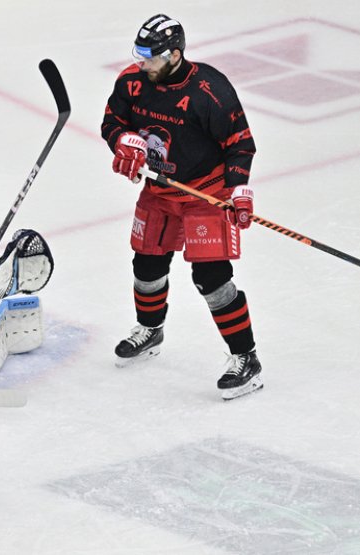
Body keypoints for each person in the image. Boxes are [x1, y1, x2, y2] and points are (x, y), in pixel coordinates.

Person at [101, 14, 263, 401]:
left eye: (150, 57)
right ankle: (150, 330)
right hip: (160, 190)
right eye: (138, 55)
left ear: (174, 55)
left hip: (206, 193)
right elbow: (112, 120)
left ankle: (246, 358)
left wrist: (238, 189)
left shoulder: (211, 91)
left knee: (211, 279)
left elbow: (241, 144)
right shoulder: (132, 82)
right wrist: (122, 140)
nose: (142, 64)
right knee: (146, 265)